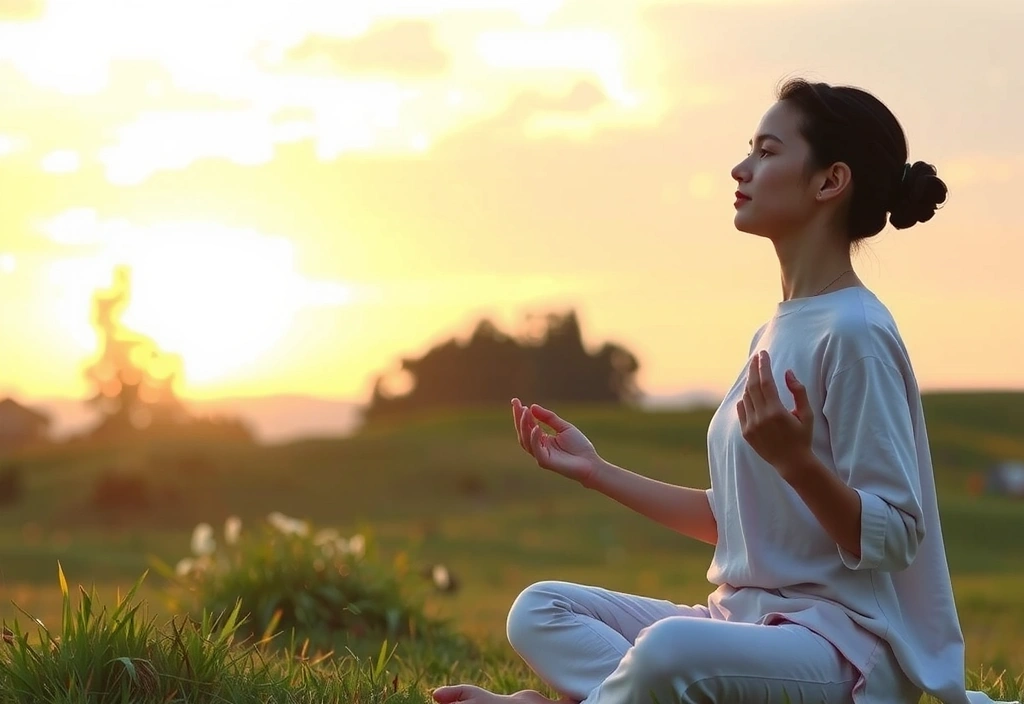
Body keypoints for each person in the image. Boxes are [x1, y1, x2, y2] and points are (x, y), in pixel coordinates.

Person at [431, 79, 1020, 704]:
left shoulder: (856, 333)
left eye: (767, 152)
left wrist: (796, 462)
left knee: (669, 652)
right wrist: (597, 471)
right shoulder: (771, 330)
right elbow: (743, 522)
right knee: (539, 610)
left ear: (829, 181)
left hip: (844, 651)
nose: (741, 168)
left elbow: (896, 532)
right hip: (745, 626)